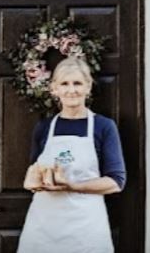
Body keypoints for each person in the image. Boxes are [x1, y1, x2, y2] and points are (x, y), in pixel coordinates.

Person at [17, 57, 126, 253]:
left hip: (85, 226)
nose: (71, 90)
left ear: (88, 87)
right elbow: (35, 171)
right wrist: (34, 182)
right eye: (64, 84)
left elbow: (116, 182)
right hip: (44, 225)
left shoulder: (103, 126)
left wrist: (73, 186)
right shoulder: (44, 128)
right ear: (54, 89)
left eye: (77, 83)